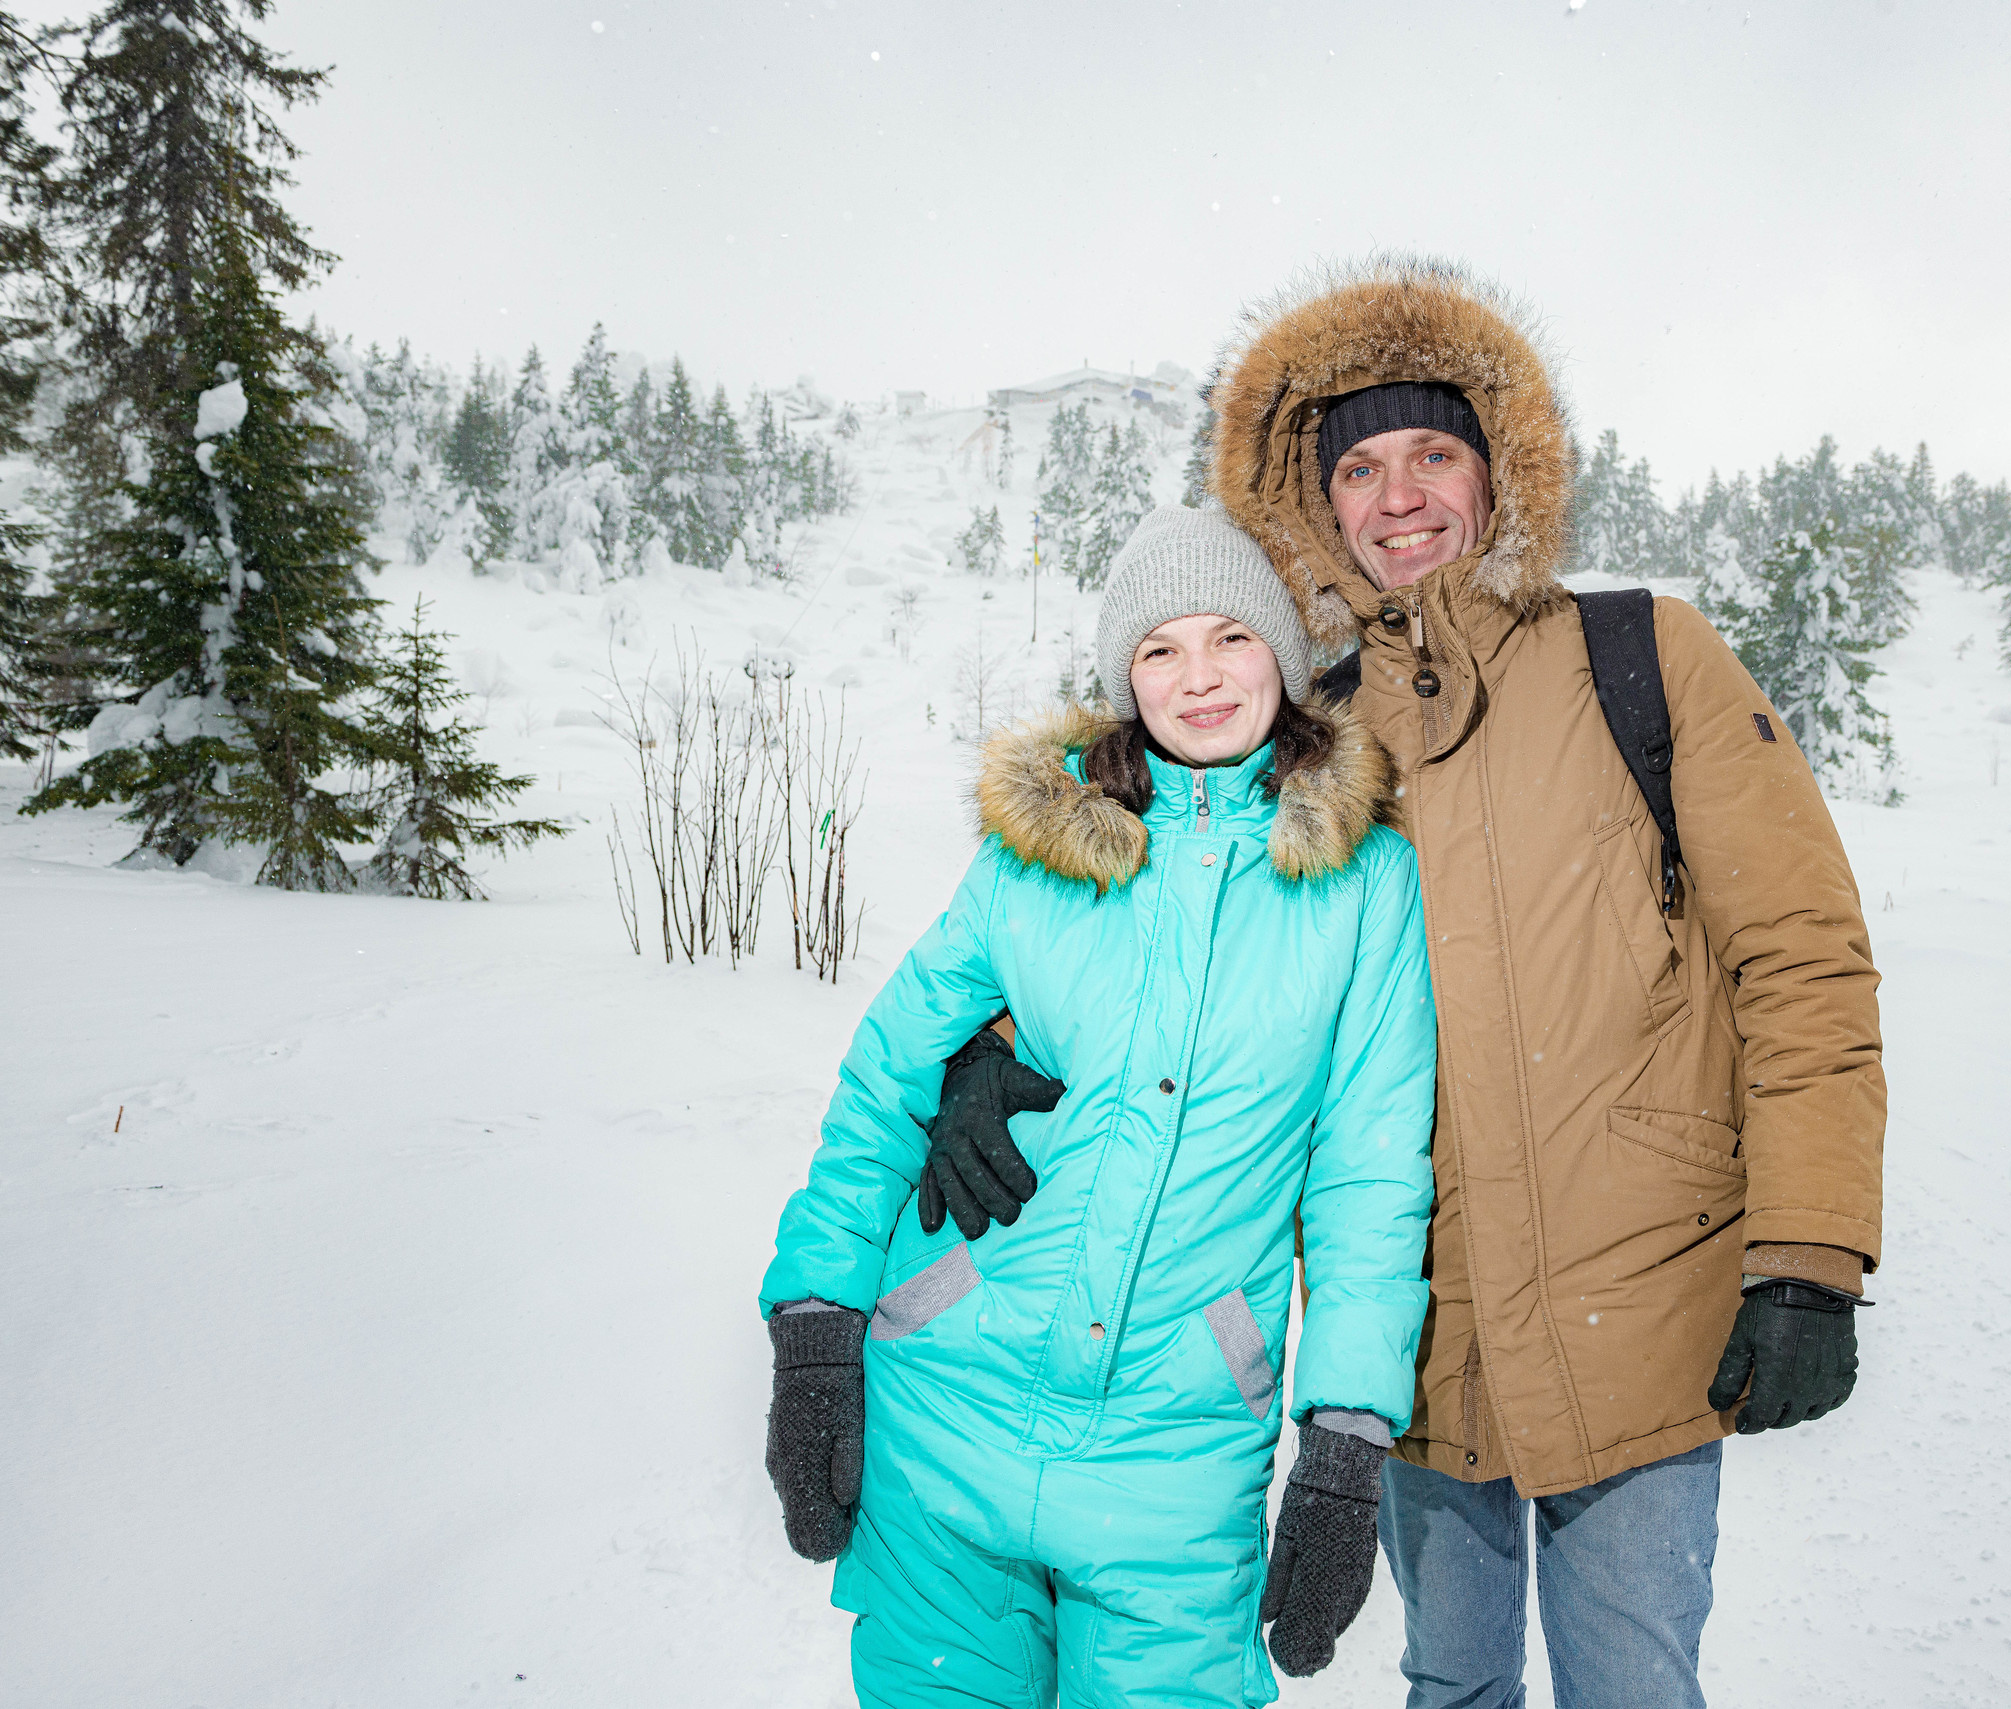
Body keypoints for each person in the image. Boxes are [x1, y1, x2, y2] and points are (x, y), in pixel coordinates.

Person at [923, 258, 1886, 1708]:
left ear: (1501, 472)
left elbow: (1801, 958)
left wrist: (1811, 1250)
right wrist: (987, 1041)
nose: (1401, 496)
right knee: (1453, 1689)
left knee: (1633, 1686)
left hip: (1643, 1305)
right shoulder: (1308, 738)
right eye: (1359, 465)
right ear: (1315, 505)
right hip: (1422, 1338)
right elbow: (1162, 936)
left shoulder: (1646, 659)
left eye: (1436, 451)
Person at [758, 503, 1438, 1707]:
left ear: (1282, 650)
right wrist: (816, 1318)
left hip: (1174, 1459)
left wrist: (1344, 1439)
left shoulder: (1362, 881)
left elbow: (1369, 1171)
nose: (1200, 676)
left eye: (1230, 636)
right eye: (1160, 648)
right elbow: (885, 1080)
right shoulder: (1039, 851)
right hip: (946, 1405)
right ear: (1125, 676)